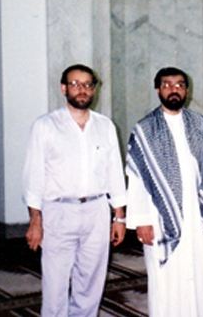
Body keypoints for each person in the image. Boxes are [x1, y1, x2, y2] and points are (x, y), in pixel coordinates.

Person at [23, 64, 127, 316]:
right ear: (63, 88)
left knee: (91, 281)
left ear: (94, 89)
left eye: (88, 85)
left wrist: (120, 217)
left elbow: (115, 173)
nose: (82, 90)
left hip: (97, 210)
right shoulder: (46, 126)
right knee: (55, 283)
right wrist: (35, 220)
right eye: (75, 84)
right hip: (59, 211)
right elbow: (33, 175)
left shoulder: (105, 126)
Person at [125, 66, 203, 317]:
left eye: (180, 85)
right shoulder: (144, 129)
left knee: (198, 275)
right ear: (158, 89)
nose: (174, 89)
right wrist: (141, 220)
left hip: (197, 214)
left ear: (187, 90)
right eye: (167, 85)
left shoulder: (201, 125)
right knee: (165, 281)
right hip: (158, 217)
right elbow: (137, 179)